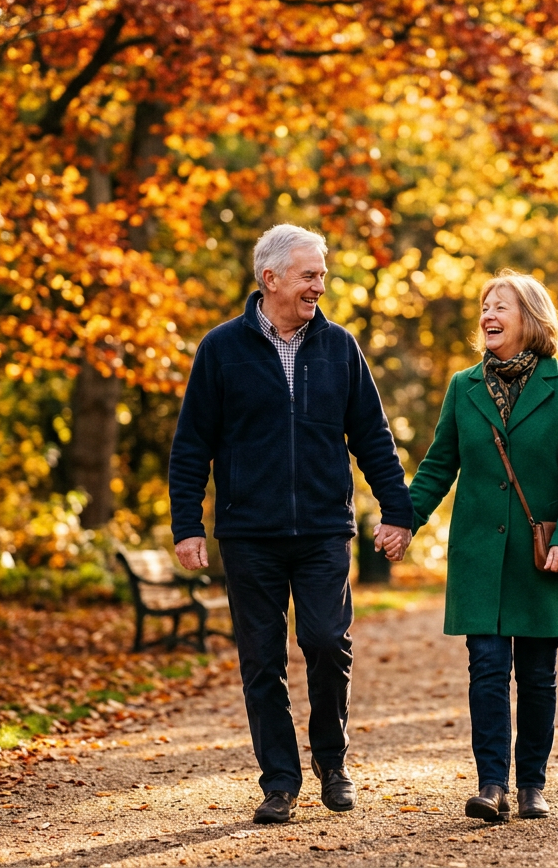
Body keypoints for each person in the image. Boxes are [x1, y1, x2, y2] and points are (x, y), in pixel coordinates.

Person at [168, 224, 414, 825]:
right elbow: (191, 445)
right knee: (261, 660)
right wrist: (187, 525)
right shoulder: (221, 349)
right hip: (249, 534)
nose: (319, 287)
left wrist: (398, 511)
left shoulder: (340, 347)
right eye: (309, 275)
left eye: (322, 275)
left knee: (328, 644)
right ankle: (279, 779)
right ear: (269, 278)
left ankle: (333, 762)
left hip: (325, 530)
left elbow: (373, 437)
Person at [407, 270, 558, 822]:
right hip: (480, 556)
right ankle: (492, 784)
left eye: (500, 308)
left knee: (537, 674)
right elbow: (440, 463)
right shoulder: (463, 386)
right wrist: (404, 521)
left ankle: (532, 782)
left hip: (542, 558)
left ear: (530, 319)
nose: (488, 316)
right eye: (484, 308)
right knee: (487, 669)